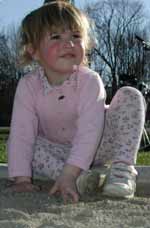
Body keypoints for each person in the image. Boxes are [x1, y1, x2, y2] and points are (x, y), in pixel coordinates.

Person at [7, 1, 145, 203]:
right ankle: (82, 178)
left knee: (130, 94)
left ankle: (122, 169)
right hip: (60, 151)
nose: (69, 43)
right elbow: (22, 133)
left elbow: (90, 130)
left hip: (101, 143)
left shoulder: (89, 80)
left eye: (76, 36)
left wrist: (69, 172)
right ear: (33, 50)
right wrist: (21, 179)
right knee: (18, 142)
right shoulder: (28, 86)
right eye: (56, 36)